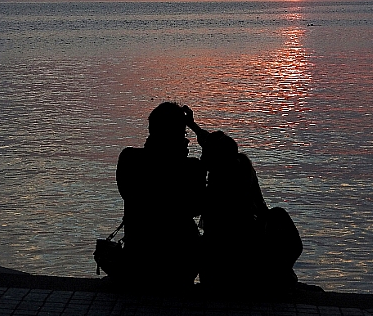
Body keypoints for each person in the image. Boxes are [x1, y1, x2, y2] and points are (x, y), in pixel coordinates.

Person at [185, 107, 303, 293]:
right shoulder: (240, 164)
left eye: (205, 155)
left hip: (229, 261)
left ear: (215, 161)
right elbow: (207, 139)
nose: (201, 156)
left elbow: (194, 208)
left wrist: (197, 173)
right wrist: (193, 125)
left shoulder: (223, 189)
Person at [115, 102, 206, 291]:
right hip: (180, 264)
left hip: (138, 259)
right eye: (184, 134)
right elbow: (198, 207)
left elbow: (129, 192)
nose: (187, 140)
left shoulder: (129, 159)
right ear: (177, 136)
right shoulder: (190, 168)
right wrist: (194, 127)